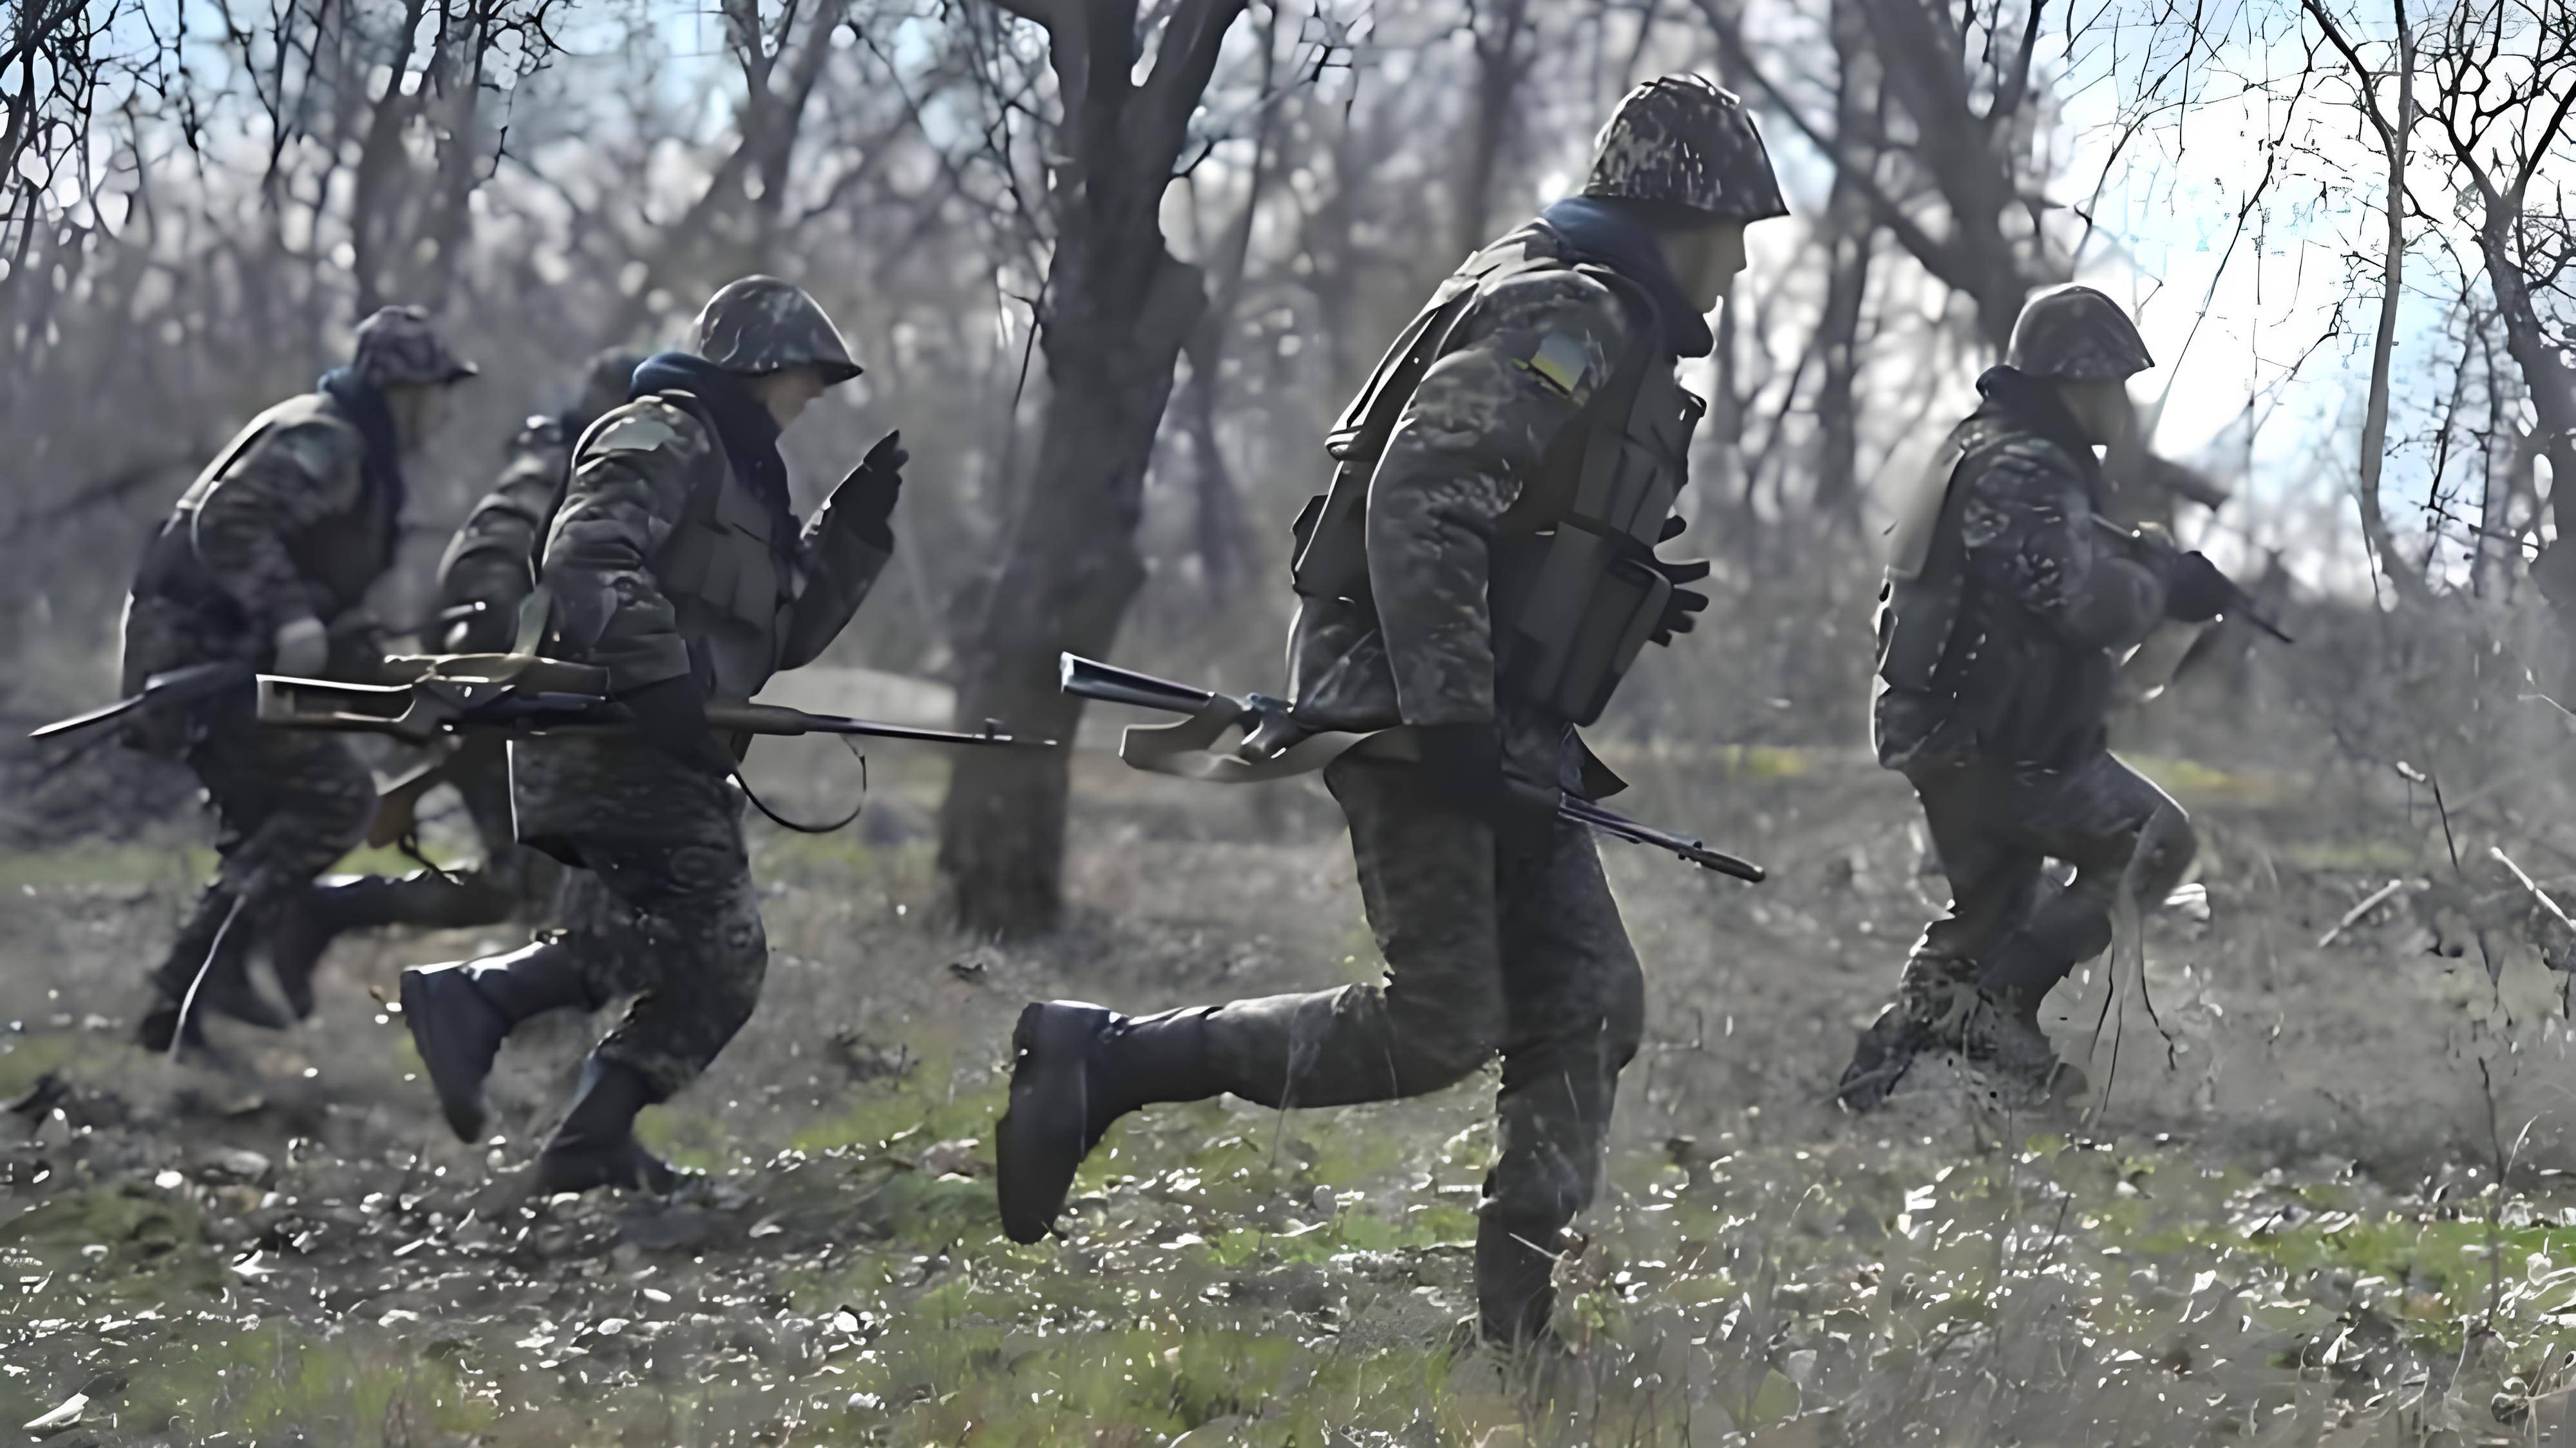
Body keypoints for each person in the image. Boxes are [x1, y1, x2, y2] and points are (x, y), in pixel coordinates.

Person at [993, 75, 1786, 1349]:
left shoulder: (1582, 304)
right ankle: (1108, 1060)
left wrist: (1620, 581)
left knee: (1587, 1000)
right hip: (1420, 704)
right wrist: (1455, 720)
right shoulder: (1569, 306)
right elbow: (1420, 496)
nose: (1740, 262)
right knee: (1441, 1018)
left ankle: (1516, 1332)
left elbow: (1508, 506)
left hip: (1475, 708)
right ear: (1677, 209)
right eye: (1734, 227)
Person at [397, 277, 907, 1195]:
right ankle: (496, 1021)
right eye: (805, 378)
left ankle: (565, 1109)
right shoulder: (663, 431)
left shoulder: (751, 479)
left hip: (666, 746)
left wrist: (852, 535)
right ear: (760, 364)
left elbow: (780, 637)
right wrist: (660, 672)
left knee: (650, 943)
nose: (810, 400)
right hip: (608, 737)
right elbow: (586, 553)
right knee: (720, 952)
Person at [1835, 284, 2230, 1111]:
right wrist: (2163, 590)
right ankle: (1996, 1008)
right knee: (2155, 840)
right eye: (2111, 385)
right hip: (1994, 739)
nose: (2119, 405)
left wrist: (2148, 561)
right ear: (2074, 381)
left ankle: (1861, 1099)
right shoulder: (2023, 464)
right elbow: (2078, 601)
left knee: (1983, 924)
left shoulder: (1986, 448)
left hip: (1967, 729)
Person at [123, 307, 478, 1052]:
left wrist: (393, 672)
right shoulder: (330, 439)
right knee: (334, 799)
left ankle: (183, 1005)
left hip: (223, 656)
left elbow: (323, 588)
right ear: (404, 390)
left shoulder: (350, 446)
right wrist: (291, 620)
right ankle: (197, 986)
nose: (446, 410)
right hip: (204, 663)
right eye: (440, 391)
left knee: (266, 820)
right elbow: (229, 521)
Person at [257, 348, 650, 1014]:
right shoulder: (556, 466)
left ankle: (333, 913)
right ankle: (521, 1017)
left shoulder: (615, 480)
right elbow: (489, 551)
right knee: (543, 880)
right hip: (500, 697)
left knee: (527, 883)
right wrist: (504, 650)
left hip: (547, 704)